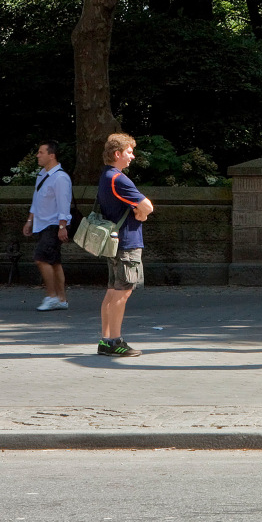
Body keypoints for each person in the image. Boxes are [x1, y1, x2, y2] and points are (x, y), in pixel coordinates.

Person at [96, 132, 152, 357]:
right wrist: (143, 215)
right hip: (127, 242)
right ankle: (115, 342)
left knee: (112, 292)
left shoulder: (105, 176)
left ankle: (105, 339)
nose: (133, 156)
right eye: (129, 152)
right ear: (117, 154)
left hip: (113, 243)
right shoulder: (119, 178)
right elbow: (146, 205)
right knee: (123, 292)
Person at [22, 139, 72, 311]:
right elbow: (36, 201)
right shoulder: (42, 175)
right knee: (54, 262)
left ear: (52, 155)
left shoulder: (60, 178)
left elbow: (64, 204)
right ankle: (61, 299)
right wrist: (30, 221)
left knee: (41, 259)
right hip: (42, 224)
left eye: (41, 152)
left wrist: (62, 226)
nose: (37, 155)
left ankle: (52, 296)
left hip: (53, 224)